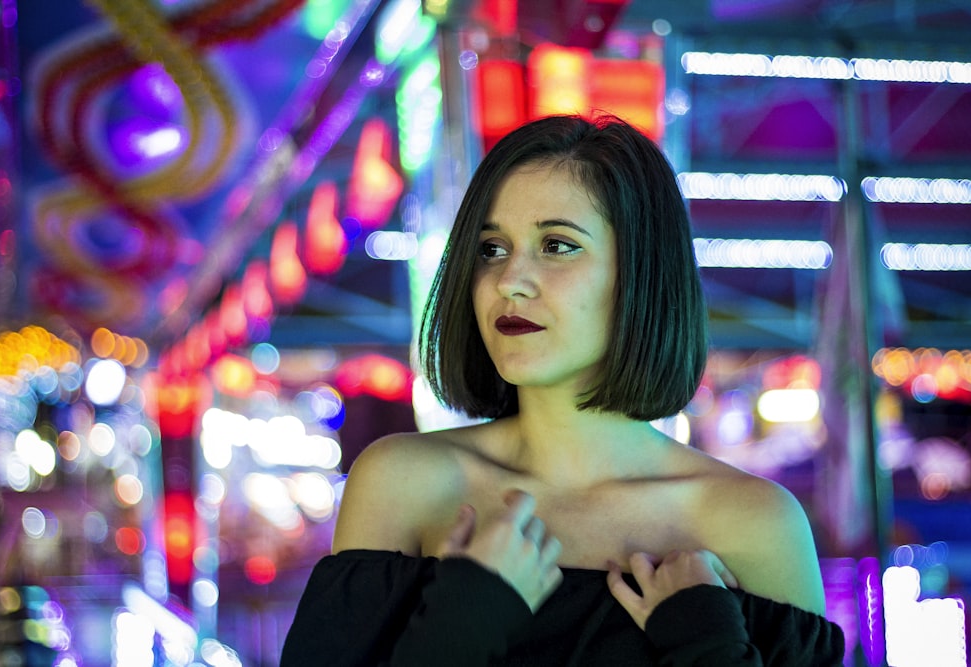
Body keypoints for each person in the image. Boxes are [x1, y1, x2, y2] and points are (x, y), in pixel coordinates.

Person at [280, 114, 845, 666]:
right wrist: (462, 623)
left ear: (641, 274)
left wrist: (710, 648)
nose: (509, 281)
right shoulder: (401, 481)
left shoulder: (755, 523)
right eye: (491, 249)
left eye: (557, 245)